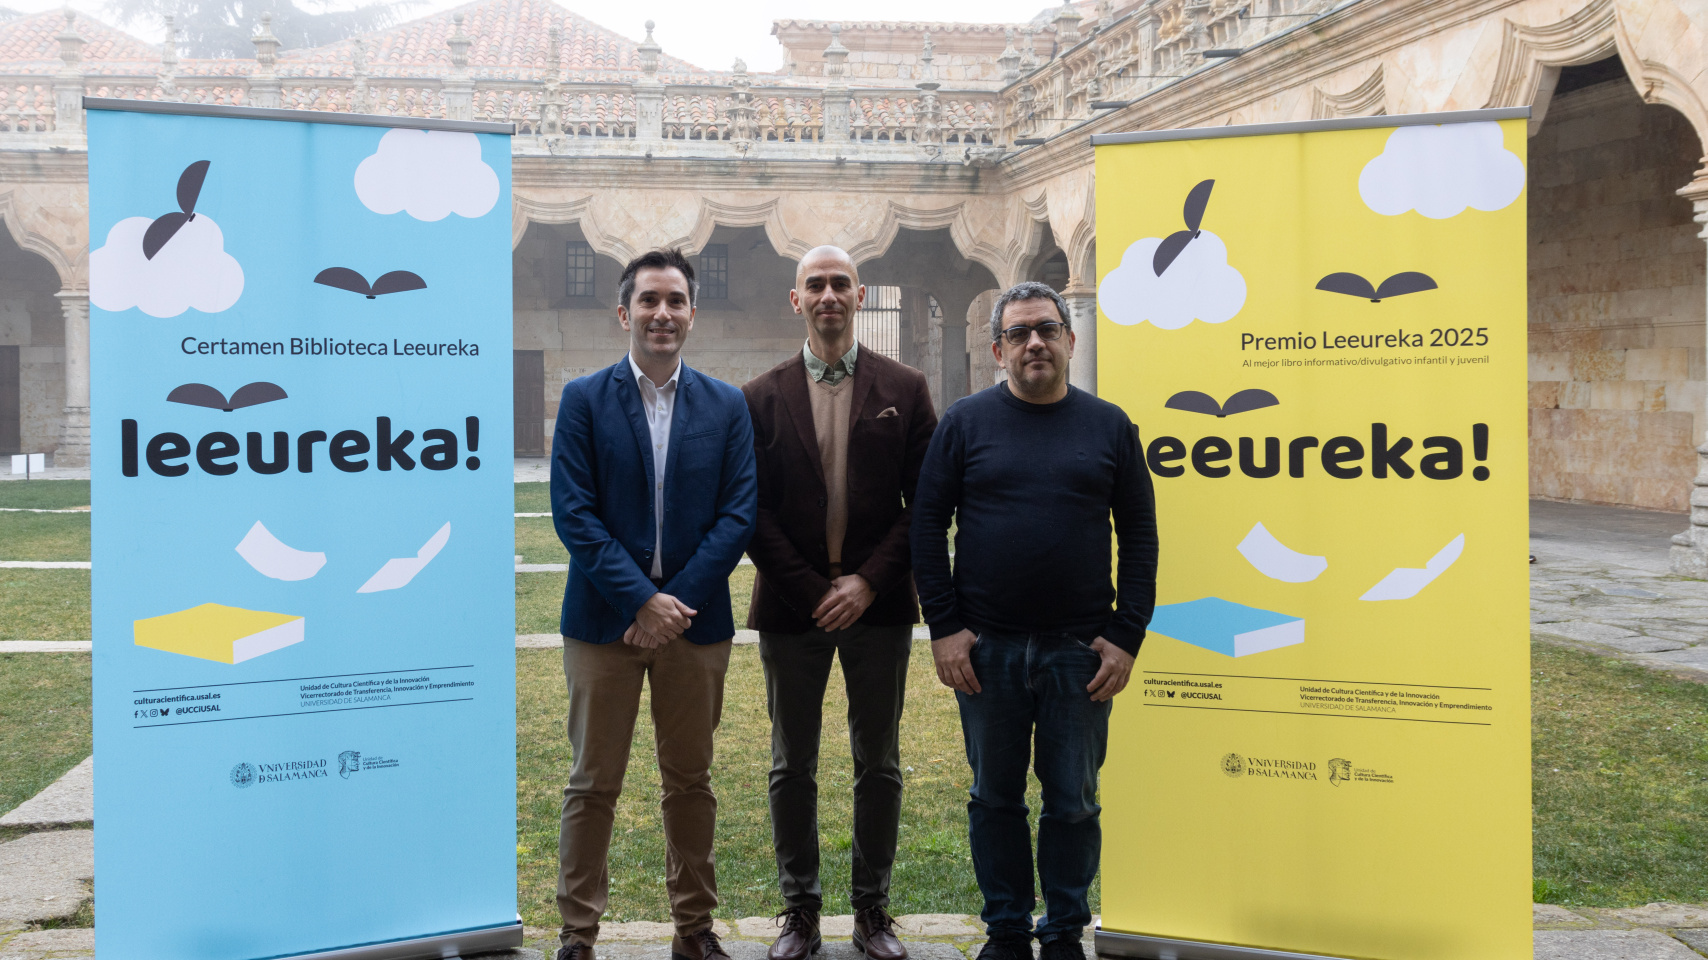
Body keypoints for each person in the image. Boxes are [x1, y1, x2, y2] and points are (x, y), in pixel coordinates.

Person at [909, 281, 1158, 960]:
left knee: (1073, 800)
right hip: (985, 648)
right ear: (998, 350)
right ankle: (1008, 931)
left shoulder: (1109, 426)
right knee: (994, 798)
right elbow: (927, 528)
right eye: (1018, 334)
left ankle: (1064, 932)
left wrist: (1126, 633)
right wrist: (945, 627)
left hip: (1080, 650)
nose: (1034, 343)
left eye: (1046, 329)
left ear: (1070, 340)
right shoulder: (964, 424)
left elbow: (1139, 534)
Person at [549, 248, 758, 960]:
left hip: (695, 628)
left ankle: (694, 929)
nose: (662, 314)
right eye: (649, 301)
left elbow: (738, 514)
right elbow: (573, 513)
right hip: (603, 623)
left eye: (675, 302)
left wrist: (674, 603)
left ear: (692, 314)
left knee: (691, 783)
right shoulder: (583, 399)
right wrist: (641, 600)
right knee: (591, 784)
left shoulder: (726, 404)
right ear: (623, 312)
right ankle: (577, 933)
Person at [741, 245, 938, 960]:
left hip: (877, 609)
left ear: (860, 295)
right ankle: (799, 912)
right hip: (793, 610)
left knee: (877, 763)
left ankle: (872, 912)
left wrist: (866, 583)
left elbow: (926, 506)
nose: (828, 295)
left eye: (839, 284)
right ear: (797, 300)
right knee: (791, 765)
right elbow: (752, 512)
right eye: (814, 285)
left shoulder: (906, 388)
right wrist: (813, 588)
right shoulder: (760, 396)